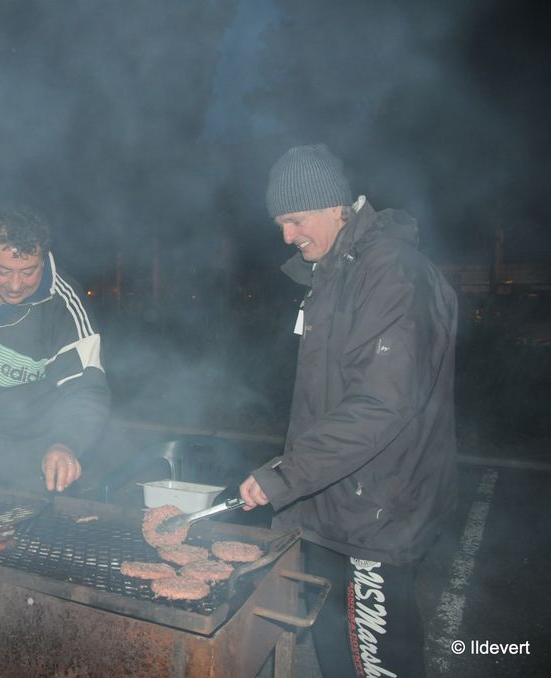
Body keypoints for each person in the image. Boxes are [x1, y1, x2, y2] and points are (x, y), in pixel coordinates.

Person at [239, 144, 458, 678]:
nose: (286, 237)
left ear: (335, 206)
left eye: (294, 220)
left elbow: (383, 402)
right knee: (334, 646)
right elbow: (330, 396)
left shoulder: (392, 273)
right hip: (335, 499)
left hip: (375, 507)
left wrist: (288, 474)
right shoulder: (335, 270)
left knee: (378, 660)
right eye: (279, 224)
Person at [0, 203, 110, 493]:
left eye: (29, 271)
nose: (16, 285)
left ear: (43, 259)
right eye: (3, 271)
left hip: (35, 461)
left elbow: (88, 390)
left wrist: (65, 443)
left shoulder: (63, 306)